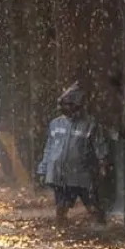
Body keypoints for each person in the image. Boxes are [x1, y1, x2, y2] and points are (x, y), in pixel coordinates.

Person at [37, 83, 110, 223]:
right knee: (61, 209)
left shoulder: (90, 124)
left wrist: (103, 163)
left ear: (77, 105)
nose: (64, 108)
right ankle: (61, 234)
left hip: (82, 175)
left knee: (93, 207)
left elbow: (99, 146)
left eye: (68, 104)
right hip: (61, 175)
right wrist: (43, 169)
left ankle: (101, 230)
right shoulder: (55, 124)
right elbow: (49, 148)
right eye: (63, 104)